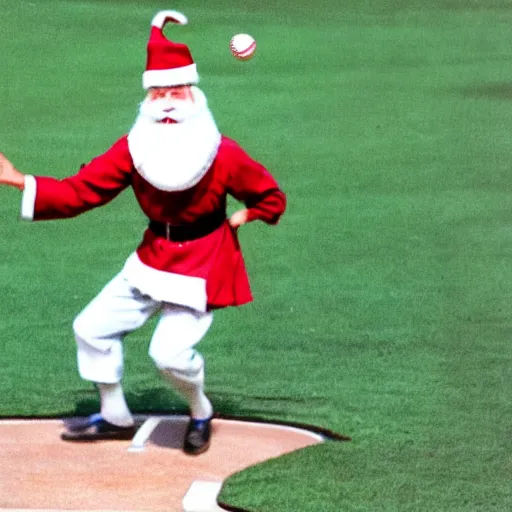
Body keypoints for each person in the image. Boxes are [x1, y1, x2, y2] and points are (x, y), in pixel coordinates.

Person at [0, 10, 286, 455]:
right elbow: (80, 192)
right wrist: (20, 180)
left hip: (205, 264)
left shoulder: (222, 152)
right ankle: (114, 416)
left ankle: (200, 411)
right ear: (148, 99)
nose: (168, 102)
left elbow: (270, 197)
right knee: (91, 328)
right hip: (153, 258)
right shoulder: (134, 148)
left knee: (168, 356)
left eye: (176, 91)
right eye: (159, 92)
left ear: (194, 96)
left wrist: (243, 218)